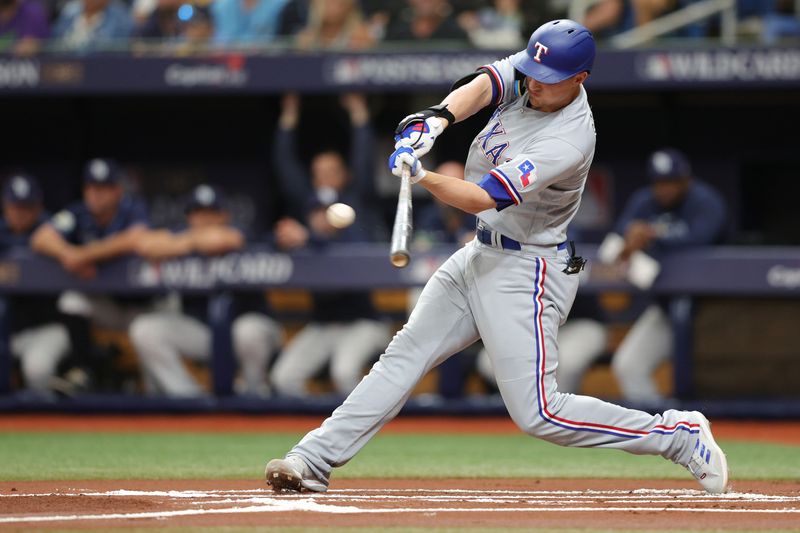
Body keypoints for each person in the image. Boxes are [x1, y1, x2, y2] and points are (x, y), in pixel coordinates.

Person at [264, 19, 729, 496]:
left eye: (546, 80)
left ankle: (677, 436)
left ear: (579, 79)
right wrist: (437, 118)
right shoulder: (536, 75)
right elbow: (487, 83)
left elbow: (482, 198)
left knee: (539, 413)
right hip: (481, 253)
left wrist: (421, 176)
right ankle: (314, 457)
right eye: (530, 72)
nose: (532, 83)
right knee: (403, 355)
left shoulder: (569, 138)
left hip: (527, 269)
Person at [269, 92, 390, 397]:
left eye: (331, 171)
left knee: (344, 372)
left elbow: (362, 162)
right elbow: (285, 168)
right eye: (318, 173)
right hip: (323, 322)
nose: (324, 178)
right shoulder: (307, 206)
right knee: (284, 378)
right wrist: (288, 120)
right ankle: (314, 434)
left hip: (363, 320)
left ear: (344, 175)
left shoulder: (355, 202)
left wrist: (359, 115)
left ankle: (364, 432)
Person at [129, 184, 282, 397]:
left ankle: (253, 393)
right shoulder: (182, 236)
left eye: (212, 213)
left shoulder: (241, 230)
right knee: (145, 329)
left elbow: (222, 240)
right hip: (203, 331)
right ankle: (188, 398)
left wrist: (181, 243)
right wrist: (191, 241)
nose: (206, 220)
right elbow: (145, 245)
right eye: (199, 213)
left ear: (225, 215)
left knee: (247, 332)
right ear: (188, 217)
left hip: (252, 326)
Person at [608, 148, 727, 405]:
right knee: (628, 366)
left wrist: (651, 234)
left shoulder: (705, 201)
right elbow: (618, 238)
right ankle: (664, 431)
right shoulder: (644, 201)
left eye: (672, 182)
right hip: (666, 308)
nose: (665, 189)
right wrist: (630, 238)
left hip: (717, 311)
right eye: (659, 183)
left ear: (686, 180)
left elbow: (699, 238)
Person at [31, 158, 152, 331]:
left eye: (103, 188)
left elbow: (137, 237)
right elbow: (40, 237)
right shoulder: (78, 213)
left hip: (140, 306)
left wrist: (84, 256)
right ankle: (85, 358)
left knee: (146, 329)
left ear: (117, 191)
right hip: (107, 304)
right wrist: (68, 254)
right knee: (71, 301)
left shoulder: (132, 208)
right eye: (91, 187)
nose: (96, 194)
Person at [52, 0, 133, 51]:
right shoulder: (70, 14)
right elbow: (55, 41)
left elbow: (117, 47)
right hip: (69, 66)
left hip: (102, 68)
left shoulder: (119, 18)